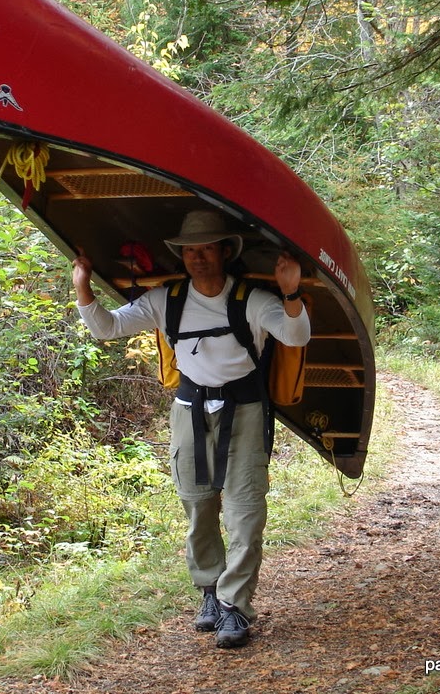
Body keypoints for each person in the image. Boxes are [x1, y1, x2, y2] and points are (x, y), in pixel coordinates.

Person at [72, 209, 310, 649]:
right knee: (198, 506)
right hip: (189, 410)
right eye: (189, 250)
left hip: (246, 412)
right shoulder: (166, 300)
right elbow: (106, 329)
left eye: (206, 248)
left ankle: (235, 606)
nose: (197, 257)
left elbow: (295, 337)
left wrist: (291, 291)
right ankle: (210, 594)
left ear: (224, 252)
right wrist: (83, 287)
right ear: (182, 255)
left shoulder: (251, 300)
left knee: (245, 512)